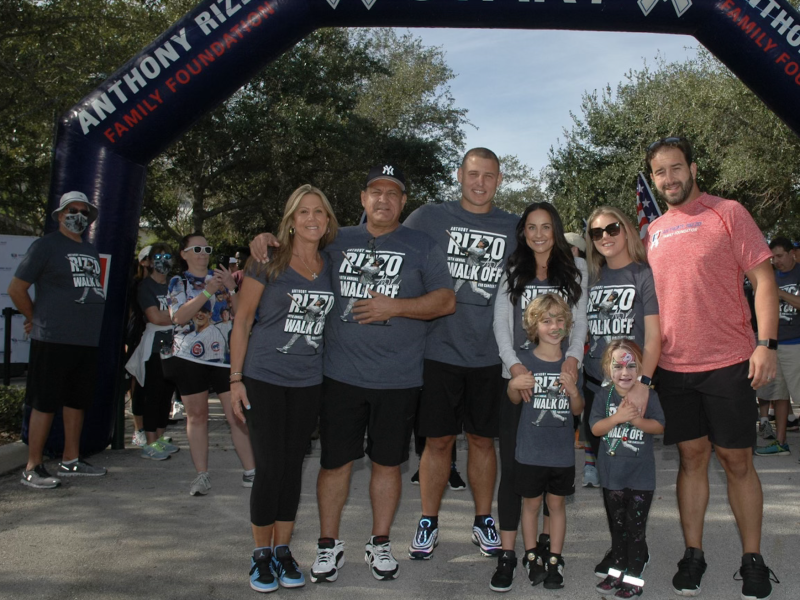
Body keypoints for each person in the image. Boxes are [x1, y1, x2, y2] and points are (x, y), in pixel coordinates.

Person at [251, 164, 455, 583]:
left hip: (398, 378)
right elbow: (294, 246)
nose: (383, 199)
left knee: (386, 464)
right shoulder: (334, 240)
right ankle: (328, 545)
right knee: (335, 463)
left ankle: (380, 544)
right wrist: (265, 239)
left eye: (393, 193)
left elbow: (446, 300)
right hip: (338, 375)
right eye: (375, 192)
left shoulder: (422, 244)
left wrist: (394, 306)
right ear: (362, 199)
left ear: (403, 202)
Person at [644, 136, 779, 600]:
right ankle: (693, 554)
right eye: (660, 172)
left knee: (737, 460)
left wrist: (766, 344)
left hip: (729, 362)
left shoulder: (729, 212)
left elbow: (764, 279)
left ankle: (753, 559)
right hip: (675, 368)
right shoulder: (654, 230)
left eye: (676, 168)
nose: (669, 178)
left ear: (693, 168)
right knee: (691, 459)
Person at [403, 148, 518, 560]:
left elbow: (549, 267)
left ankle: (483, 519)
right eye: (473, 174)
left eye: (489, 176)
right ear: (459, 175)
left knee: (484, 442)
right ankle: (428, 521)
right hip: (438, 350)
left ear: (499, 180)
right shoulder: (428, 216)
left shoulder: (514, 226)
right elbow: (386, 242)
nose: (480, 182)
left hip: (491, 355)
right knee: (437, 442)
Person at [229, 185, 338, 592]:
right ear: (291, 220)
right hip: (264, 378)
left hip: (309, 382)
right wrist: (235, 379)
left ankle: (283, 551)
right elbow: (242, 321)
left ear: (328, 221)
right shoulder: (267, 260)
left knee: (293, 469)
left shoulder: (330, 263)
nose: (312, 219)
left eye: (319, 213)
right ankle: (260, 555)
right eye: (303, 212)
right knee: (271, 467)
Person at [490, 202, 588, 591]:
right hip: (520, 380)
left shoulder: (576, 268)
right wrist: (515, 367)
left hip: (560, 379)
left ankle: (548, 551)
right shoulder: (513, 267)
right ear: (523, 232)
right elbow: (500, 321)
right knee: (515, 471)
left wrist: (573, 361)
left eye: (546, 226)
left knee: (554, 468)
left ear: (556, 229)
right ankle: (510, 553)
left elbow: (579, 321)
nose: (539, 234)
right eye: (531, 227)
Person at [581, 206, 661, 574]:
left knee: (633, 475)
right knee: (609, 478)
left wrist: (643, 384)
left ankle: (636, 548)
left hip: (632, 387)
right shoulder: (592, 277)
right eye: (596, 233)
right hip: (598, 389)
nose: (605, 237)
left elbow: (655, 336)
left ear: (626, 229)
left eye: (611, 228)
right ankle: (619, 549)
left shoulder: (643, 274)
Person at [9, 191, 107, 488]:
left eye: (83, 211)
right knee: (45, 402)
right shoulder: (45, 246)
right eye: (71, 210)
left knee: (76, 402)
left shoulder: (90, 250)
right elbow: (17, 289)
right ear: (60, 214)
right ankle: (32, 466)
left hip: (85, 341)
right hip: (52, 338)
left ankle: (70, 460)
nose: (78, 215)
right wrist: (34, 318)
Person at [163, 233, 255, 496]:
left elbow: (239, 315)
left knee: (236, 416)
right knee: (197, 416)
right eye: (197, 248)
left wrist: (232, 287)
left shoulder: (221, 278)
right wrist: (208, 291)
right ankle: (201, 475)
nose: (203, 253)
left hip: (224, 358)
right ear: (184, 253)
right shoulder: (178, 281)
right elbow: (179, 317)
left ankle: (251, 471)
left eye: (207, 248)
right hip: (188, 357)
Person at [505, 294, 583, 591]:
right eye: (546, 321)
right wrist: (514, 384)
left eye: (560, 320)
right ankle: (531, 555)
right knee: (531, 505)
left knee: (556, 505)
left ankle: (554, 559)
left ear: (567, 325)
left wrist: (574, 391)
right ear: (533, 326)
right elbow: (514, 399)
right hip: (530, 452)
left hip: (561, 454)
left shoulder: (571, 364)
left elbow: (578, 410)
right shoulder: (523, 361)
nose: (554, 326)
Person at [590, 340, 665, 599]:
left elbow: (659, 427)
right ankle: (616, 569)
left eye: (632, 365)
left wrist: (638, 421)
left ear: (640, 368)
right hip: (613, 477)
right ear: (608, 369)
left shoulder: (649, 396)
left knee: (636, 528)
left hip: (641, 478)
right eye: (618, 366)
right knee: (618, 527)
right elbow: (595, 429)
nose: (625, 372)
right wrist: (617, 418)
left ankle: (634, 576)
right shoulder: (603, 396)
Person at [125, 243, 179, 461]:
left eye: (167, 256)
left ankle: (160, 438)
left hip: (174, 347)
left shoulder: (174, 285)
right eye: (159, 256)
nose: (163, 261)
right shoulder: (145, 287)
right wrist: (177, 317)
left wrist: (174, 317)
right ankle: (149, 442)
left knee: (166, 396)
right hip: (154, 347)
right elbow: (155, 317)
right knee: (152, 395)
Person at [754, 237, 800, 456]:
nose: (777, 261)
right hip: (774, 345)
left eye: (780, 256)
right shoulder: (770, 276)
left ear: (793, 253)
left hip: (796, 344)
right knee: (779, 396)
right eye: (773, 258)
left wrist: (778, 292)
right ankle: (781, 442)